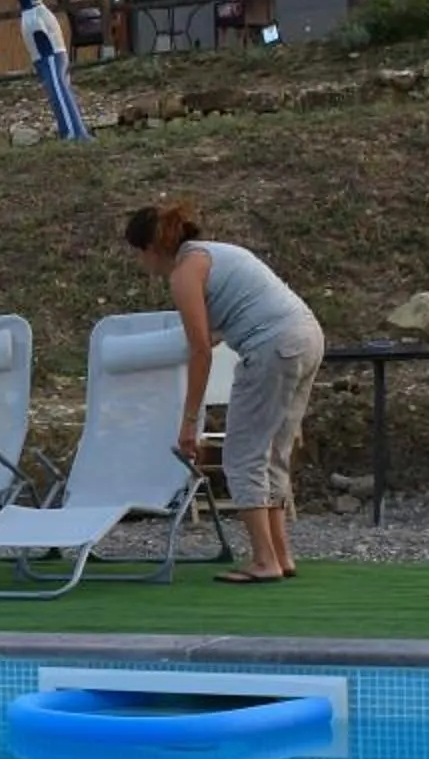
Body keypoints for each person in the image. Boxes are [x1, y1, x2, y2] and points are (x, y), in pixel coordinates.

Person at [123, 198, 325, 583]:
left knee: (241, 455)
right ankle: (281, 556)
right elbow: (218, 333)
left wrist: (188, 423)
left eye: (137, 255)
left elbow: (200, 352)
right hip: (307, 336)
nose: (140, 264)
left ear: (149, 249)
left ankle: (264, 561)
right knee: (273, 454)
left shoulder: (184, 273)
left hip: (273, 347)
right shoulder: (215, 253)